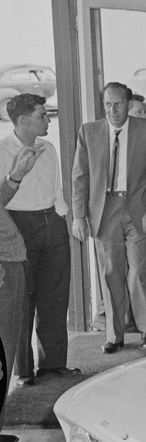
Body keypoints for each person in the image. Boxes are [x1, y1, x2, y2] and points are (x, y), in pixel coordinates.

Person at [72, 82, 146, 354]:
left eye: (118, 104)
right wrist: (79, 215)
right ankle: (115, 334)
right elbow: (80, 176)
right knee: (111, 273)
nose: (113, 110)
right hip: (104, 212)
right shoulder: (88, 132)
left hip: (137, 209)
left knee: (138, 271)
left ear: (129, 103)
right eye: (108, 105)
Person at [0, 94, 76, 387]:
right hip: (19, 225)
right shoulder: (4, 151)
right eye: (42, 116)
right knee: (22, 301)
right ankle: (24, 370)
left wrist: (61, 216)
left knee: (55, 295)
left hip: (51, 222)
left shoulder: (49, 147)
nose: (48, 120)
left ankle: (53, 364)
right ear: (22, 121)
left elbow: (57, 187)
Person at [0, 145, 42, 442]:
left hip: (9, 264)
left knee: (7, 350)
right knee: (2, 356)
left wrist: (16, 176)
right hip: (2, 267)